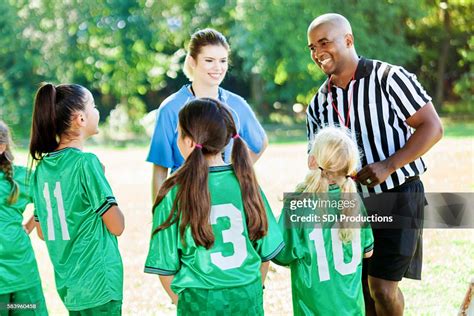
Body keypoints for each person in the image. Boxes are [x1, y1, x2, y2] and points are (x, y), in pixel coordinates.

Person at [305, 13, 443, 315]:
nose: (317, 53)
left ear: (348, 40)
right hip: (349, 203)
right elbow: (314, 160)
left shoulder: (388, 78)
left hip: (398, 195)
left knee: (382, 286)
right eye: (312, 47)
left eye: (324, 43)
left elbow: (432, 127)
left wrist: (388, 165)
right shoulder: (319, 103)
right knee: (362, 289)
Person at [144, 98, 283, 315]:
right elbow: (265, 253)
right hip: (246, 296)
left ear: (189, 142)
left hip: (199, 301)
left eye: (178, 132)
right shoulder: (246, 183)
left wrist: (182, 302)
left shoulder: (173, 191)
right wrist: (255, 289)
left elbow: (165, 267)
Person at [29, 83, 125, 315]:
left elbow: (42, 232)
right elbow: (117, 226)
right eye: (93, 106)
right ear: (80, 119)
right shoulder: (86, 163)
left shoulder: (40, 170)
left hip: (69, 286)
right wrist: (101, 182)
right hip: (100, 281)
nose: (97, 111)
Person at [147, 28, 268, 200]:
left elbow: (260, 143)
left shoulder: (236, 104)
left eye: (223, 61)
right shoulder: (170, 108)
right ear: (192, 61)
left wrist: (233, 174)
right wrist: (158, 216)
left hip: (225, 199)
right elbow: (160, 169)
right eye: (209, 60)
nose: (218, 68)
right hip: (186, 201)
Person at [273, 126, 374, 315]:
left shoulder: (299, 204)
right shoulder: (354, 201)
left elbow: (281, 255)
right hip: (352, 309)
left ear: (312, 161)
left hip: (313, 309)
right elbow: (368, 252)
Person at [0, 120, 48, 315]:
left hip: (21, 271)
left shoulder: (21, 177)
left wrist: (29, 226)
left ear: (1, 147)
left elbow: (48, 194)